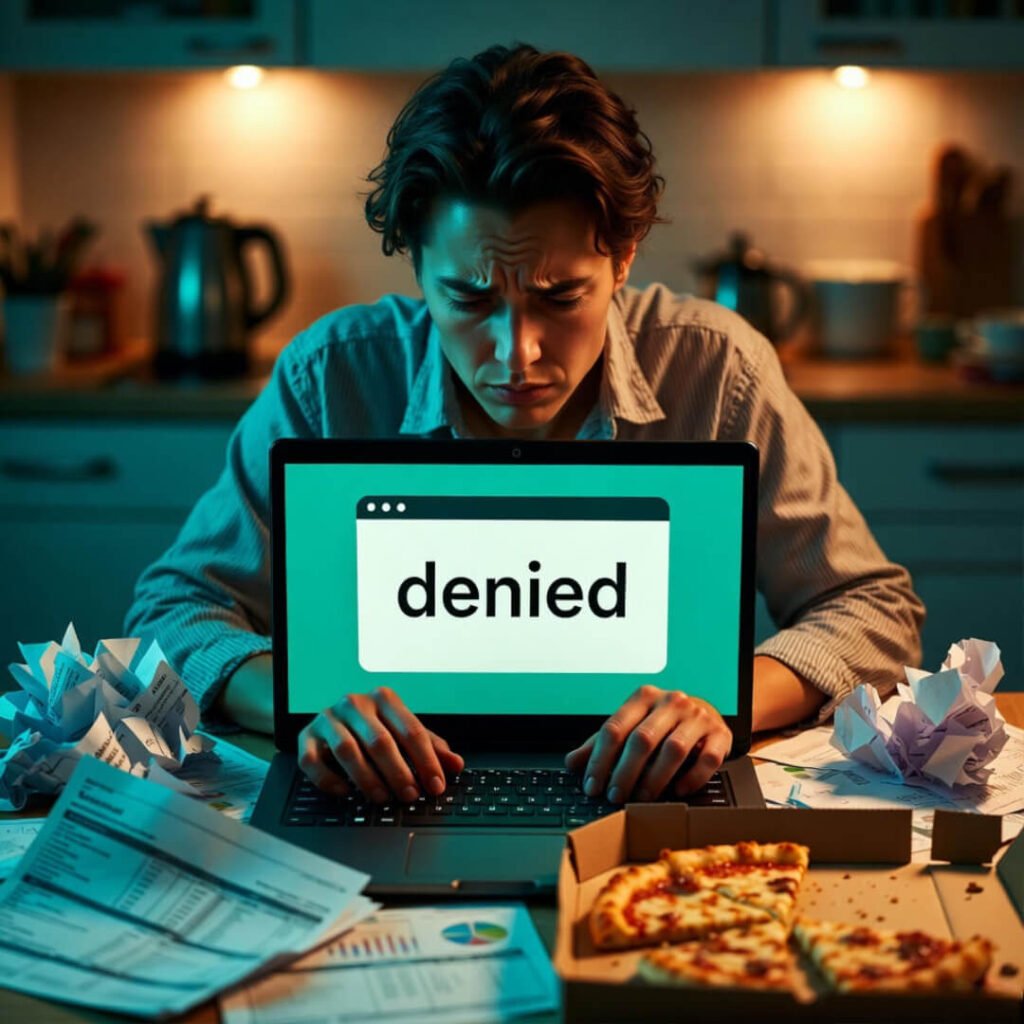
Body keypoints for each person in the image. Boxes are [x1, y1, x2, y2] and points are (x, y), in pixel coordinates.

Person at [125, 43, 923, 809]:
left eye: (560, 296)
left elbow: (874, 609)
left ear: (624, 256)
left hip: (658, 796)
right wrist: (311, 709)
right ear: (415, 266)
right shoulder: (332, 373)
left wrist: (720, 705)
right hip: (378, 795)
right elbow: (173, 608)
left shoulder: (716, 367)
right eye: (468, 300)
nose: (516, 353)